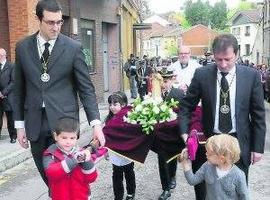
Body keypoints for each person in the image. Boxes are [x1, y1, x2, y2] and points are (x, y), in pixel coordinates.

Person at [13, 0, 105, 187]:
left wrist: (96, 124)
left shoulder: (73, 48)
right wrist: (19, 125)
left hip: (65, 125)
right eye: (50, 22)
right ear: (39, 19)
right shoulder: (22, 47)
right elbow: (18, 89)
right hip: (35, 124)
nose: (56, 27)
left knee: (68, 178)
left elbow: (86, 88)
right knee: (49, 178)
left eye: (59, 22)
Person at [179, 34, 266, 200]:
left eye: (228, 59)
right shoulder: (202, 74)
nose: (223, 64)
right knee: (205, 190)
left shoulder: (251, 76)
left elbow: (258, 115)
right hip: (210, 143)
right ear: (213, 55)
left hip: (238, 143)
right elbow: (185, 106)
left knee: (237, 190)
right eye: (218, 60)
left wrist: (258, 147)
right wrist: (184, 133)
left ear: (237, 54)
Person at [179, 134, 249, 200]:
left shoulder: (238, 175)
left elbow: (244, 197)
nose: (206, 154)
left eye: (209, 153)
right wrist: (186, 163)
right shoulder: (207, 166)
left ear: (221, 159)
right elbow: (192, 181)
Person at [43, 117, 97, 200]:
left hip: (81, 196)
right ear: (56, 136)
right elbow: (51, 173)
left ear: (77, 137)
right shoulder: (50, 153)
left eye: (72, 138)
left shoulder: (80, 152)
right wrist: (74, 160)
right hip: (60, 197)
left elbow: (91, 178)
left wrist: (87, 161)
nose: (68, 142)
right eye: (64, 138)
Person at [157, 68, 185, 200]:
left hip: (174, 135)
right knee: (162, 161)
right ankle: (165, 189)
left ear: (171, 80)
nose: (163, 84)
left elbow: (185, 113)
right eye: (161, 81)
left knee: (172, 158)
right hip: (160, 137)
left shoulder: (179, 93)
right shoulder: (154, 95)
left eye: (166, 81)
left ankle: (173, 176)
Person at [105, 91, 136, 200]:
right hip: (115, 154)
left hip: (127, 153)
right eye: (110, 104)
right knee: (116, 175)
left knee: (129, 173)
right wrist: (105, 151)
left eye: (115, 104)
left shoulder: (129, 118)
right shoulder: (109, 119)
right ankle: (118, 196)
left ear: (123, 105)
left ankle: (131, 192)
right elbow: (106, 137)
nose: (112, 107)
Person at [0, 48, 16, 143]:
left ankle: (13, 136)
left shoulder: (11, 66)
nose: (0, 57)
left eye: (1, 55)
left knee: (10, 118)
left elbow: (14, 82)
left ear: (5, 55)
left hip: (8, 97)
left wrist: (3, 93)